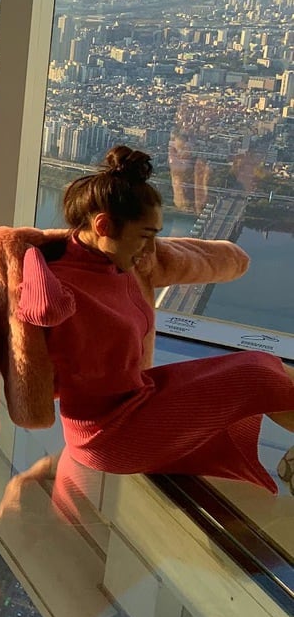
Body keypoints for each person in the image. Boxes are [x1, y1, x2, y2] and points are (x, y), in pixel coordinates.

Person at [19, 146, 294, 493]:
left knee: (266, 365)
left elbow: (211, 258)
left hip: (138, 400)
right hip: (108, 435)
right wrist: (33, 254)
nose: (150, 249)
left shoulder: (117, 265)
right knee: (256, 373)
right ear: (103, 225)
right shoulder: (60, 277)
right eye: (146, 236)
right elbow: (42, 309)